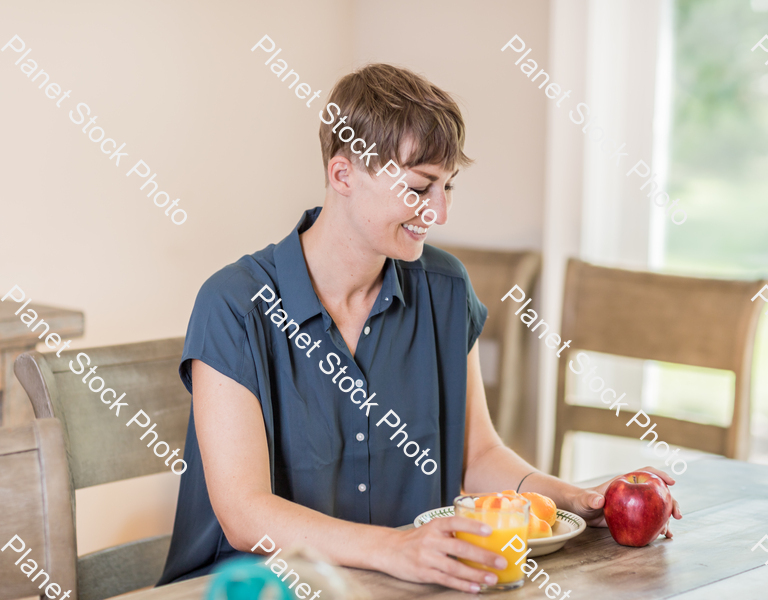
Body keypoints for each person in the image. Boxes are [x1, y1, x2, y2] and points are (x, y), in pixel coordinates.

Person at [158, 63, 682, 593]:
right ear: (343, 176)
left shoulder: (444, 289)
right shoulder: (233, 306)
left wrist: (575, 500)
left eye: (447, 186)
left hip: (399, 585)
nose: (440, 212)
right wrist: (394, 548)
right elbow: (246, 515)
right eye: (419, 187)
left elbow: (476, 458)